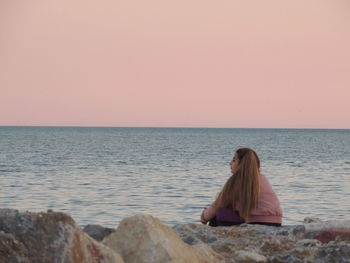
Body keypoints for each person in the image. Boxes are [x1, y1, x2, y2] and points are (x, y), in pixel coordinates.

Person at [200, 148, 282, 227]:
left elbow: (218, 205)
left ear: (241, 163)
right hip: (276, 222)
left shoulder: (236, 180)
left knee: (219, 213)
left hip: (254, 222)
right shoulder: (263, 178)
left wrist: (203, 217)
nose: (230, 163)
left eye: (234, 160)